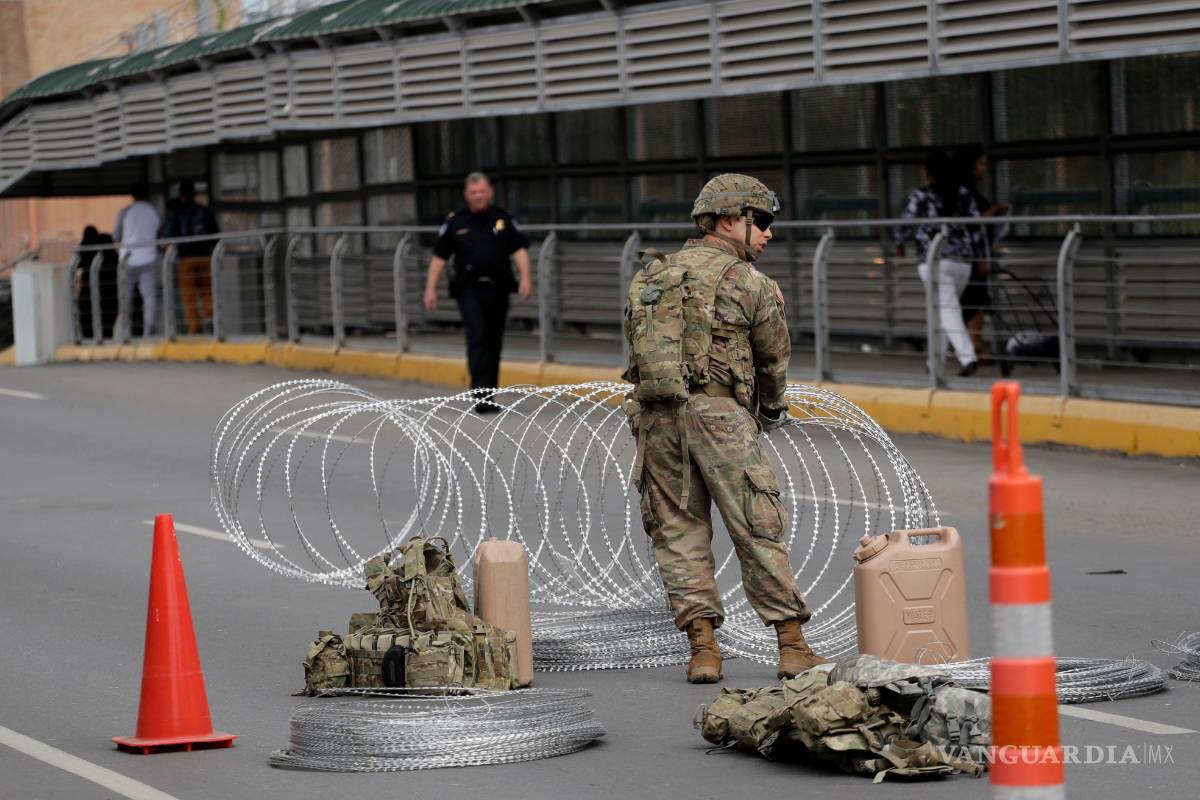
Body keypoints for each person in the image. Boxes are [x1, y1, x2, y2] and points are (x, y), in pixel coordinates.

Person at [622, 174, 826, 685]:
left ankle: (703, 649)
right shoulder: (749, 282)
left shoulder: (652, 278)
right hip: (721, 417)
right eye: (763, 222)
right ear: (731, 220)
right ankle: (792, 645)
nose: (768, 234)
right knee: (757, 524)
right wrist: (772, 411)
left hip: (658, 421)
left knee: (676, 530)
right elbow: (773, 360)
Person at [423, 172, 534, 412]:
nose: (478, 196)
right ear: (466, 195)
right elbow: (440, 258)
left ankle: (489, 393)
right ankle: (480, 395)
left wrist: (525, 278)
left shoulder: (502, 218)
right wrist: (430, 289)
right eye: (474, 192)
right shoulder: (456, 221)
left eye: (482, 191)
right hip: (469, 290)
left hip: (498, 288)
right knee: (478, 337)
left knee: (494, 340)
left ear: (490, 192)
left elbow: (519, 251)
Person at [894, 150, 981, 377]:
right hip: (963, 261)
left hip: (933, 260)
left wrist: (900, 243)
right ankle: (935, 364)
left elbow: (905, 222)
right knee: (943, 310)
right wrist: (980, 256)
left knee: (947, 309)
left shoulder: (922, 195)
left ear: (927, 172)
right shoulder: (962, 193)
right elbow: (976, 225)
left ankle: (967, 357)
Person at [954, 145, 1009, 361]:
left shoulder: (964, 190)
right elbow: (972, 223)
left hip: (969, 255)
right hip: (971, 255)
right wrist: (994, 211)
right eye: (981, 163)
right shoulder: (964, 192)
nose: (984, 168)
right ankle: (974, 346)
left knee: (972, 299)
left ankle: (971, 346)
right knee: (974, 299)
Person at [168, 178, 220, 335]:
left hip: (186, 259)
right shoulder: (204, 211)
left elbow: (171, 235)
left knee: (189, 295)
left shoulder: (177, 214)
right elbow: (215, 233)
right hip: (205, 257)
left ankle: (194, 326)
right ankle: (210, 318)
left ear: (181, 195)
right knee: (207, 291)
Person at [113, 182, 162, 338]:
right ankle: (148, 331)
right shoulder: (155, 212)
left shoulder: (125, 212)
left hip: (128, 259)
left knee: (126, 298)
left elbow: (116, 237)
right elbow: (160, 234)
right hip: (149, 257)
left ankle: (126, 331)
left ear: (132, 195)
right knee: (149, 297)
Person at [76, 226, 119, 340]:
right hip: (110, 294)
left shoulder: (85, 253)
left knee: (87, 320)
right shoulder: (113, 257)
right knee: (106, 324)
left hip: (88, 294)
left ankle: (90, 338)